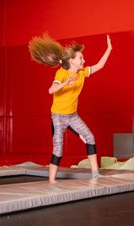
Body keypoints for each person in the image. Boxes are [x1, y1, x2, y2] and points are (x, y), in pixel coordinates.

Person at [28, 34, 113, 183]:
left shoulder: (81, 73)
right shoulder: (61, 73)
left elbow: (100, 66)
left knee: (90, 137)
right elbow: (51, 90)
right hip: (58, 117)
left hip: (72, 116)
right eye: (81, 58)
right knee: (58, 149)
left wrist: (109, 49)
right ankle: (52, 181)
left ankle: (95, 174)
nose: (84, 60)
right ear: (72, 61)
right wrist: (66, 82)